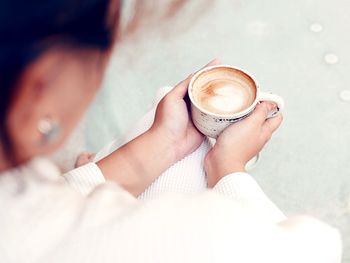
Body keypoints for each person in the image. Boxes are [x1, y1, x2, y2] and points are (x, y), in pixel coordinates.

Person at [0, 0, 342, 262]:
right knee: (172, 121)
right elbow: (317, 248)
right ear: (37, 89)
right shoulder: (179, 237)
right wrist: (227, 169)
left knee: (162, 114)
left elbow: (39, 210)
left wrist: (162, 145)